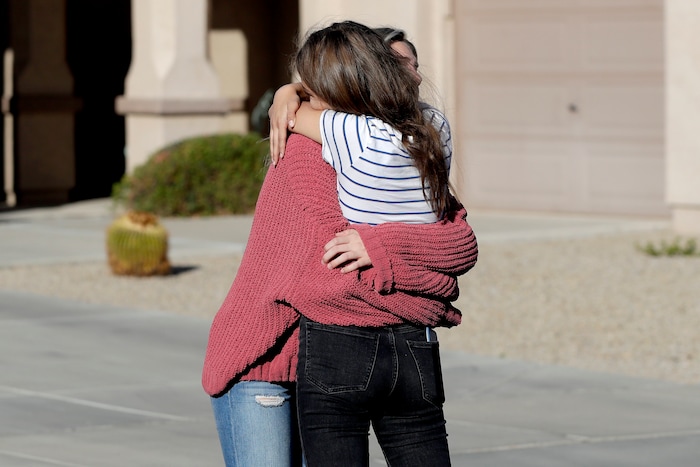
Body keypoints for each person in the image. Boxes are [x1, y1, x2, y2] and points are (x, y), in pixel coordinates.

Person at [269, 21, 465, 466]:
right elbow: (460, 236)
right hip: (416, 338)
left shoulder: (351, 136)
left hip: (341, 336)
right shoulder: (434, 128)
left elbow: (294, 110)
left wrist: (287, 91)